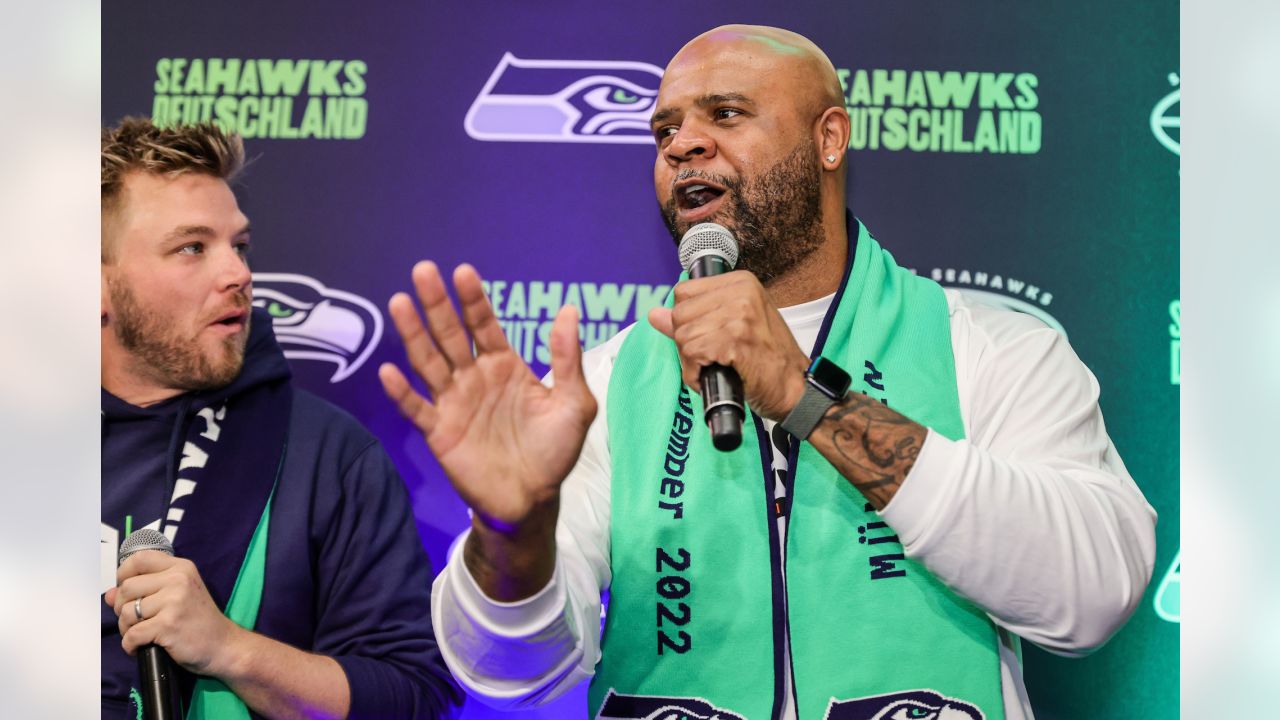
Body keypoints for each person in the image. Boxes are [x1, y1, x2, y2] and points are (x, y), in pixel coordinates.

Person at [380, 25, 1157, 720]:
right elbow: (513, 672)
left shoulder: (991, 347)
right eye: (664, 129)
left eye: (724, 114)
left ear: (829, 139)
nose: (682, 143)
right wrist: (513, 532)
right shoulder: (610, 384)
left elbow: (1092, 595)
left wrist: (805, 398)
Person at [100, 117, 461, 719]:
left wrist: (228, 649)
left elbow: (412, 699)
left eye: (238, 246)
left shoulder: (329, 458)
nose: (238, 274)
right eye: (193, 247)